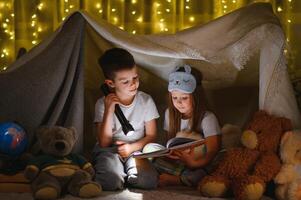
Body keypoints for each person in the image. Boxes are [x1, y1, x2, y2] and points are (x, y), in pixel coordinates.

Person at [92, 48, 159, 190]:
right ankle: (116, 173)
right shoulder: (102, 104)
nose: (133, 84)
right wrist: (109, 110)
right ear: (111, 83)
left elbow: (152, 135)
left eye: (135, 77)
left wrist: (132, 148)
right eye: (125, 81)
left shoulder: (145, 101)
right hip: (109, 150)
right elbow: (104, 142)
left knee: (148, 181)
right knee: (110, 182)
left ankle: (127, 173)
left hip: (136, 150)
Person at [156, 64, 221, 187]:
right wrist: (171, 155)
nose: (179, 102)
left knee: (215, 165)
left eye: (184, 97)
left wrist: (194, 164)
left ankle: (180, 180)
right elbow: (170, 143)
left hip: (201, 163)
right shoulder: (169, 114)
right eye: (175, 98)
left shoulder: (207, 118)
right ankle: (181, 176)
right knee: (151, 151)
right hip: (179, 163)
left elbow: (213, 151)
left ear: (195, 96)